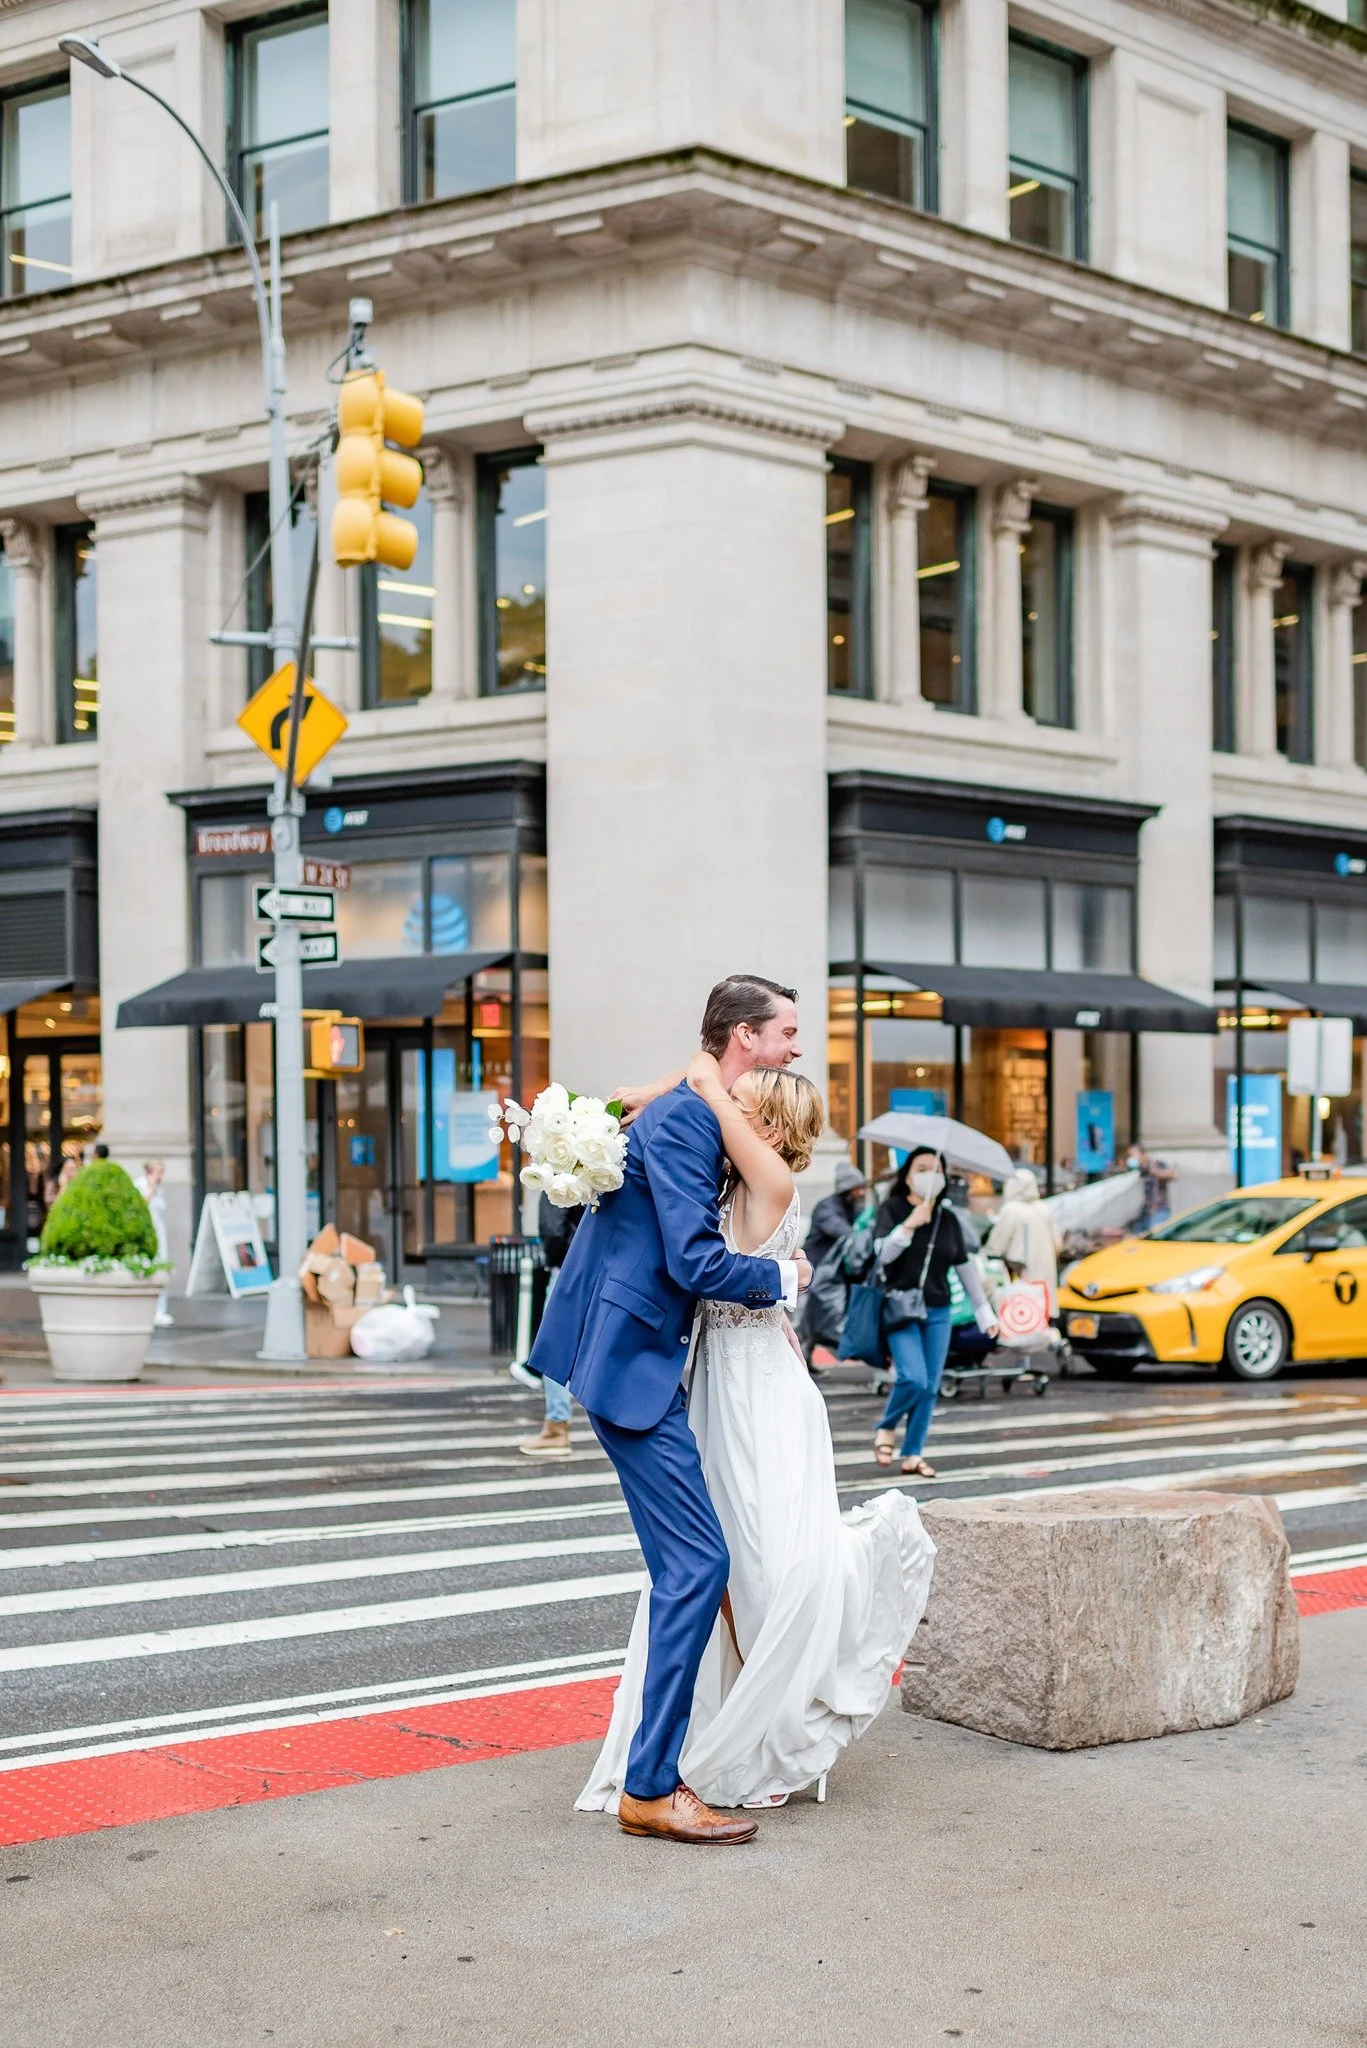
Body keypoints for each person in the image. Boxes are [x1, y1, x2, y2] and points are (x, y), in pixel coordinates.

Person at [578, 1052, 935, 1817]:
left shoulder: (768, 1184)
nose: (719, 1112)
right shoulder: (734, 1182)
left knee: (761, 1565)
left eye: (736, 1106)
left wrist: (694, 1082)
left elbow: (708, 1260)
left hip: (758, 1396)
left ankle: (769, 1720)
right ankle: (730, 1719)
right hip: (727, 1382)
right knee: (727, 1564)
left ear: (761, 1124)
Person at [527, 973, 812, 1847]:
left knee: (689, 1570)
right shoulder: (689, 1119)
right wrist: (782, 1279)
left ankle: (657, 1768)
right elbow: (693, 1261)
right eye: (786, 1033)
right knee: (699, 1566)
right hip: (629, 1363)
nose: (797, 1047)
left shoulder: (688, 1104)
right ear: (743, 1041)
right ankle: (651, 1786)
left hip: (629, 1355)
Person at [871, 1148, 999, 1478]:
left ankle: (913, 1452)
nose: (932, 1174)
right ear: (909, 1176)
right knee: (912, 1377)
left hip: (938, 1309)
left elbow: (964, 1267)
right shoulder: (892, 1208)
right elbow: (881, 1255)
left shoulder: (949, 1218)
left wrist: (984, 1310)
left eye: (937, 1169)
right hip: (900, 1306)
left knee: (930, 1386)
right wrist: (910, 1225)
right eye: (923, 1168)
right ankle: (886, 1426)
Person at [518, 1195, 583, 1457]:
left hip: (567, 1267)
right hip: (596, 1263)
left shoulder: (557, 1167)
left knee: (554, 1347)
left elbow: (553, 1228)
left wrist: (553, 1256)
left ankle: (557, 1426)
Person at [798, 1160, 873, 1369]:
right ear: (847, 1190)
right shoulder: (827, 1208)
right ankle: (799, 1360)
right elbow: (844, 1232)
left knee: (813, 1320)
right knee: (805, 1317)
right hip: (814, 1269)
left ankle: (805, 1357)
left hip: (830, 1272)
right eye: (857, 1189)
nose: (861, 1194)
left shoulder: (849, 1207)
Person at [985, 1169, 1061, 1312]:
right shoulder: (1044, 1208)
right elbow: (1057, 1244)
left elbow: (995, 1247)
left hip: (1020, 1278)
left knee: (1022, 1320)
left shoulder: (1011, 1210)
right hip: (1045, 1281)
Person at [134, 1160, 173, 1327]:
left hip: (159, 1232)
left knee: (162, 1268)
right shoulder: (141, 1184)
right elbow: (141, 1206)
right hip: (147, 1233)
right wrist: (150, 1187)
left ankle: (160, 1310)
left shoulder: (159, 1188)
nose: (160, 1175)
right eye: (158, 1171)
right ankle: (147, 1310)